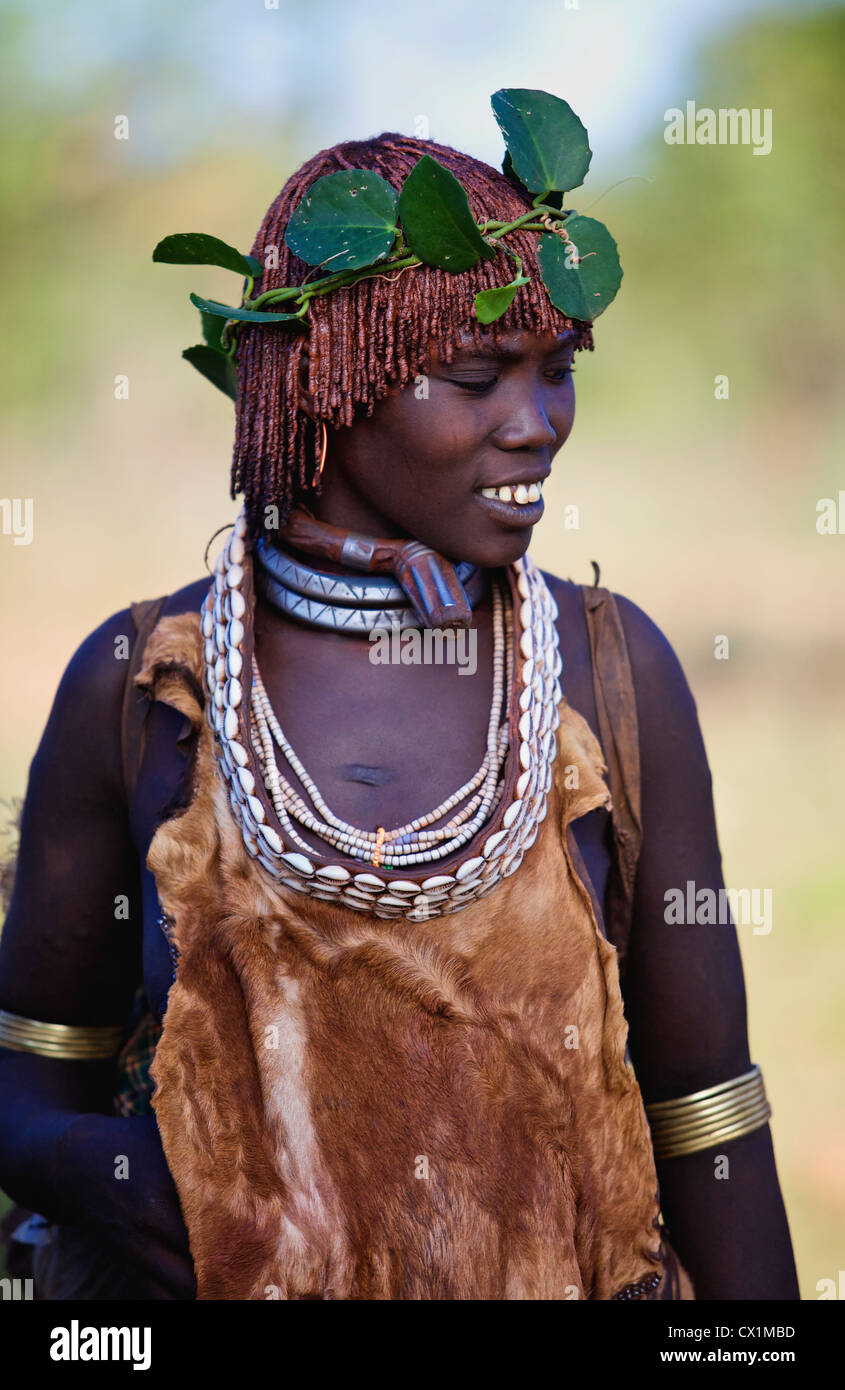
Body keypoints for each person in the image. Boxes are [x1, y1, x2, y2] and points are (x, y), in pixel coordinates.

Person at [0, 122, 799, 1301]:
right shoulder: (142, 687)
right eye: (476, 379)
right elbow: (26, 1076)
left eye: (557, 369)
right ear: (331, 383)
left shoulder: (609, 674)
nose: (535, 423)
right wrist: (86, 1166)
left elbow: (707, 1112)